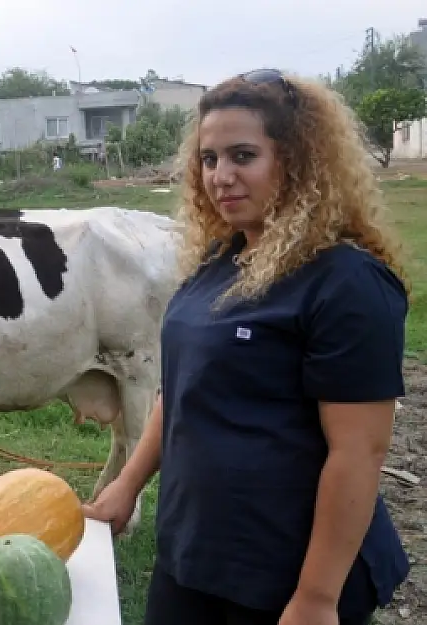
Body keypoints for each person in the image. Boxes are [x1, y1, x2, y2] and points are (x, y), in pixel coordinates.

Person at [82, 69, 411, 625]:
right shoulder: (217, 264)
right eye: (209, 160)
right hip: (194, 555)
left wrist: (316, 599)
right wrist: (126, 486)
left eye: (242, 156)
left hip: (284, 571)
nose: (220, 177)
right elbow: (180, 392)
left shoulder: (346, 283)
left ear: (298, 160)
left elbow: (358, 454)